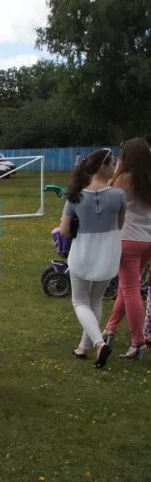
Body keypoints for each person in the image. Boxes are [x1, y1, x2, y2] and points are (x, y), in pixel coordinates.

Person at [60, 149, 127, 368]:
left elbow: (64, 231)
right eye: (113, 163)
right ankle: (83, 346)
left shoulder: (75, 196)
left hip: (83, 251)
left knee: (80, 301)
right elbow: (120, 224)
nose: (115, 167)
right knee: (95, 299)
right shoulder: (118, 195)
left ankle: (97, 343)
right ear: (104, 167)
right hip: (108, 251)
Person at [102, 139, 151, 358]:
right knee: (126, 286)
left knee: (130, 289)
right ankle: (110, 328)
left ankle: (138, 342)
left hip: (128, 240)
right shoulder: (147, 180)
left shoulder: (123, 179)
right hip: (147, 240)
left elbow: (106, 201)